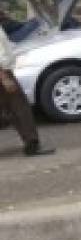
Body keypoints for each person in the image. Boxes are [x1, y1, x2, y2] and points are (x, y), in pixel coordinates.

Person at [0, 28, 54, 156]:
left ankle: (31, 143)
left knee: (12, 109)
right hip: (2, 73)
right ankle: (32, 144)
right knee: (20, 108)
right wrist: (4, 77)